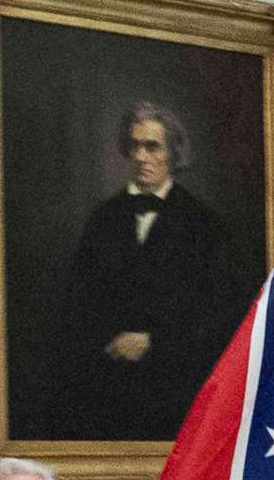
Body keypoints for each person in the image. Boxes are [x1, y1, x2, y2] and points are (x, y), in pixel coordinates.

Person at [54, 101, 246, 441]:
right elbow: (76, 303)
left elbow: (222, 312)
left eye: (152, 146)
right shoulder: (102, 219)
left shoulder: (203, 224)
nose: (141, 157)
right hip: (104, 390)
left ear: (173, 152)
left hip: (174, 391)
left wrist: (154, 342)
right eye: (135, 146)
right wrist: (107, 343)